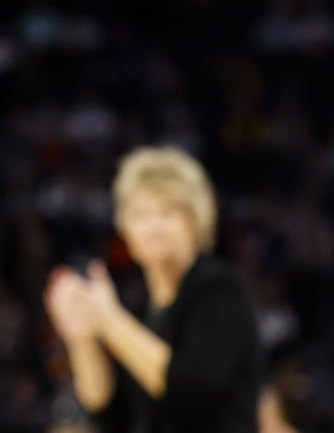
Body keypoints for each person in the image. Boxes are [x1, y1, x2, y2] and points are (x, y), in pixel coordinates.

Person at [46, 146, 262, 433]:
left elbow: (195, 391)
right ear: (126, 229)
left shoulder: (221, 291)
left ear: (196, 220)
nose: (153, 227)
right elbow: (108, 410)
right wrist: (81, 339)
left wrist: (110, 321)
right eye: (141, 215)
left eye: (168, 213)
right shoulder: (139, 308)